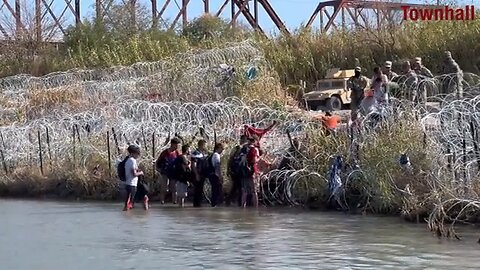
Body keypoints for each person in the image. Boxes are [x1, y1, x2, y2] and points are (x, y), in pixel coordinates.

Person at [155, 138, 181, 204]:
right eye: (176, 145)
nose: (177, 147)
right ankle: (162, 201)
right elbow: (158, 161)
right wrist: (158, 169)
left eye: (178, 146)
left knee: (174, 188)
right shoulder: (165, 153)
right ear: (172, 144)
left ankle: (174, 202)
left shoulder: (177, 153)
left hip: (173, 173)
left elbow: (181, 160)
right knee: (164, 188)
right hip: (165, 173)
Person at [226, 135, 248, 206]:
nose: (245, 141)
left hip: (242, 171)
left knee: (238, 187)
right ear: (241, 140)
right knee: (238, 187)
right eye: (244, 140)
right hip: (235, 171)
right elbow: (230, 159)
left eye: (245, 140)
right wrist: (228, 169)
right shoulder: (236, 148)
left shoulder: (246, 149)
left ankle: (231, 201)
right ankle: (236, 202)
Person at [241, 136, 261, 208]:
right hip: (253, 171)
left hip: (244, 171)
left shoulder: (243, 149)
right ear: (254, 141)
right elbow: (254, 160)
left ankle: (243, 207)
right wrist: (259, 158)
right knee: (254, 191)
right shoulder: (255, 149)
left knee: (244, 191)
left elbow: (242, 160)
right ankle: (256, 208)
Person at [123, 145, 144, 211]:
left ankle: (127, 216)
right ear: (133, 153)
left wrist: (138, 170)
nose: (138, 156)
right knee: (129, 204)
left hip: (128, 184)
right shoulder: (132, 161)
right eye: (137, 154)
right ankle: (128, 217)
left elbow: (132, 170)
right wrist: (141, 173)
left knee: (128, 202)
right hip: (132, 184)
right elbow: (134, 174)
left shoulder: (128, 160)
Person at [191, 139, 209, 207]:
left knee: (200, 189)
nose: (205, 146)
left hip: (202, 174)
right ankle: (196, 204)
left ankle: (199, 204)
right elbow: (193, 165)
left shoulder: (203, 153)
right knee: (197, 190)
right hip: (197, 174)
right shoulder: (195, 153)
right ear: (201, 145)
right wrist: (196, 174)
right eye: (204, 145)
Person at [208, 143, 225, 207]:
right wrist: (220, 176)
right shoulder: (216, 155)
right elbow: (217, 166)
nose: (222, 150)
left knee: (214, 190)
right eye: (222, 149)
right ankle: (215, 204)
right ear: (218, 148)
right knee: (216, 190)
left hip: (211, 175)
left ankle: (213, 204)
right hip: (215, 175)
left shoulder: (212, 155)